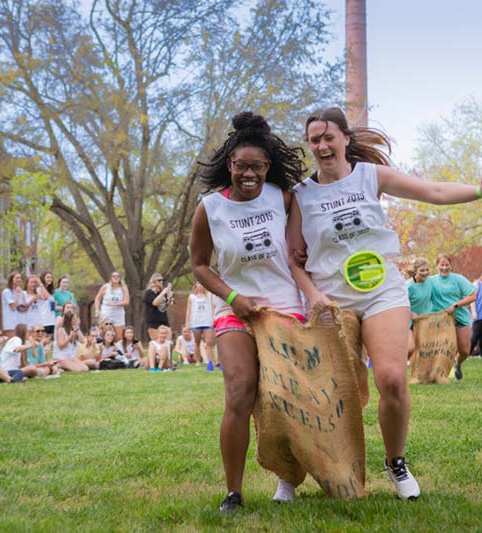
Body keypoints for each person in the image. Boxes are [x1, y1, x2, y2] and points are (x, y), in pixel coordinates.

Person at [286, 107, 482, 501]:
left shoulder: (371, 176)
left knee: (392, 378)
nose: (321, 145)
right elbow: (294, 256)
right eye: (314, 139)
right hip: (330, 299)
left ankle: (396, 462)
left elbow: (432, 191)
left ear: (345, 139)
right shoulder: (301, 194)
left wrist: (479, 191)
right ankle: (306, 470)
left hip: (381, 290)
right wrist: (313, 294)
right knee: (324, 391)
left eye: (328, 137)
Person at [190, 112, 308, 511]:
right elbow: (200, 265)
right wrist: (233, 296)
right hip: (236, 311)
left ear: (268, 166)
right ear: (230, 165)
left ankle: (287, 483)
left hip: (286, 309)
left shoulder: (284, 197)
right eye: (241, 166)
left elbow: (298, 256)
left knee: (283, 398)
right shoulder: (209, 208)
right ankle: (234, 492)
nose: (249, 174)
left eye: (257, 166)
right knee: (240, 392)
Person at [428, 255, 478, 379]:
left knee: (464, 351)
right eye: (441, 265)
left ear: (451, 266)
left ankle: (458, 363)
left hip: (460, 318)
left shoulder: (458, 279)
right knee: (443, 348)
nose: (444, 268)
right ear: (436, 266)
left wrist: (455, 305)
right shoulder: (431, 281)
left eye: (447, 265)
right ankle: (439, 374)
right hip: (441, 320)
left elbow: (472, 296)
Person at [52, 304, 89, 372]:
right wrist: (70, 337)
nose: (75, 320)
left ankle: (65, 367)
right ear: (69, 319)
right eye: (74, 319)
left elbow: (83, 340)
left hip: (70, 357)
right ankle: (58, 364)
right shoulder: (61, 329)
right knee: (78, 370)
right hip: (61, 356)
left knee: (85, 369)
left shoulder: (74, 328)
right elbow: (61, 346)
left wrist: (76, 327)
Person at [186, 281, 215, 366]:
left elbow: (213, 307)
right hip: (196, 322)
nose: (200, 285)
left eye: (202, 283)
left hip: (207, 322)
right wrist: (187, 323)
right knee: (196, 343)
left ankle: (211, 362)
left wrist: (214, 318)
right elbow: (188, 310)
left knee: (209, 343)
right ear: (195, 285)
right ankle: (198, 361)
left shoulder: (209, 295)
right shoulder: (192, 297)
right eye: (198, 283)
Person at [94, 272, 130, 340]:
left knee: (119, 337)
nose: (116, 278)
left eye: (118, 276)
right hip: (106, 314)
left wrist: (115, 304)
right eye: (114, 276)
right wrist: (97, 310)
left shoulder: (123, 288)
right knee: (105, 334)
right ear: (110, 278)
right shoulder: (106, 287)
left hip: (118, 315)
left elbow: (127, 302)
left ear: (120, 278)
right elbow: (97, 298)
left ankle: (117, 350)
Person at [144, 273, 174, 341]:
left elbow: (166, 305)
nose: (161, 282)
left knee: (169, 343)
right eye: (159, 280)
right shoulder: (149, 293)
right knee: (157, 345)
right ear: (153, 281)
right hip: (153, 321)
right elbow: (155, 303)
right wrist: (163, 292)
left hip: (164, 320)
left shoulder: (163, 292)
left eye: (162, 280)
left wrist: (170, 299)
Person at [1, 271, 25, 336]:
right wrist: (17, 294)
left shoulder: (22, 292)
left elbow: (23, 307)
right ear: (11, 279)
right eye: (17, 278)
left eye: (20, 278)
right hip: (10, 323)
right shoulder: (7, 291)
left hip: (20, 323)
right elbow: (13, 307)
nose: (19, 280)